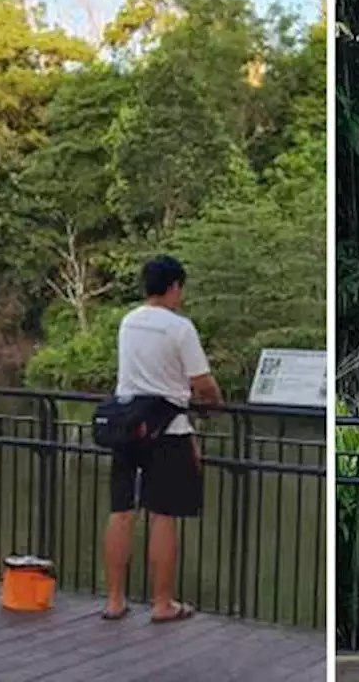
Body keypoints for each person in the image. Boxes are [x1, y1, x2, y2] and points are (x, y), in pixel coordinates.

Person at [103, 256, 222, 623]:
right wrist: (216, 404)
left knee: (122, 513)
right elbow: (202, 382)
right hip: (168, 430)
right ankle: (162, 603)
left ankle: (114, 600)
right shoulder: (179, 328)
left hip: (127, 425)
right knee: (163, 516)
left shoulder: (128, 322)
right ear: (173, 287)